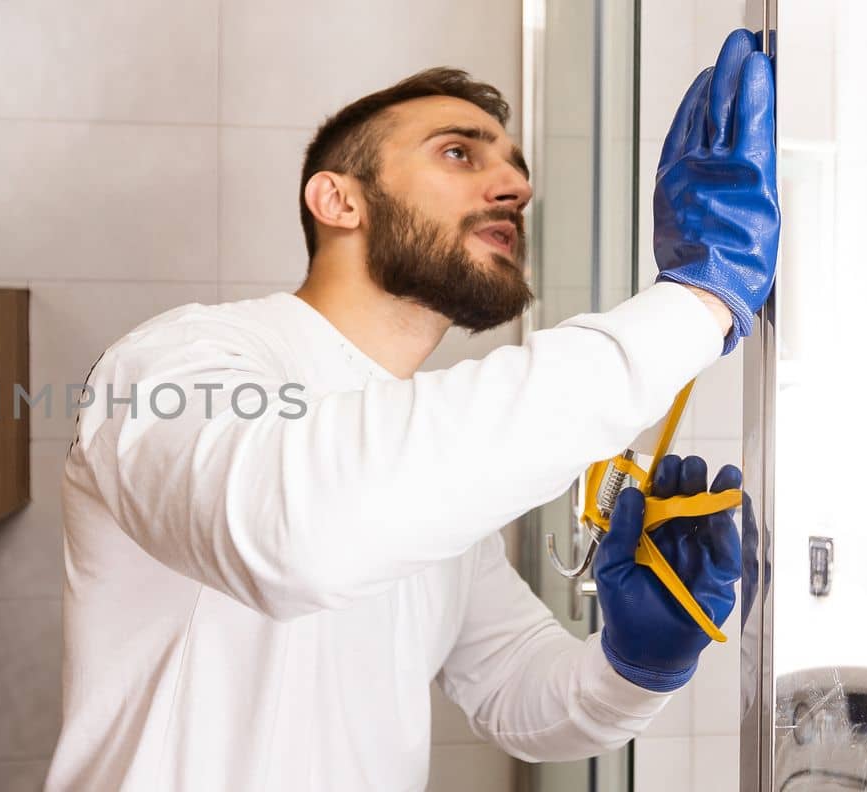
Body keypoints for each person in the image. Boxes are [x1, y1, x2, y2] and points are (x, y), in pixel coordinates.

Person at [45, 28, 778, 792]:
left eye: (514, 169)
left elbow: (514, 687)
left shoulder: (418, 465)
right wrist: (697, 304)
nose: (516, 188)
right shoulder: (169, 366)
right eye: (459, 153)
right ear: (339, 199)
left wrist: (639, 663)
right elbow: (297, 534)